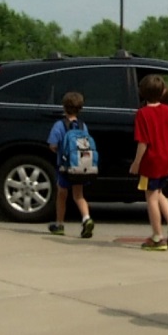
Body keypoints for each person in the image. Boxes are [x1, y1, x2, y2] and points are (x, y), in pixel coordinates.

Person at [129, 75, 168, 251]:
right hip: (166, 158)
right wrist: (167, 148)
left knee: (150, 197)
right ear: (163, 92)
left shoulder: (142, 113)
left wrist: (136, 162)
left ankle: (157, 236)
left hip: (150, 161)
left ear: (141, 93)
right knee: (159, 192)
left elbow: (142, 142)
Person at [46, 91, 94, 238]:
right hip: (80, 166)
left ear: (64, 107)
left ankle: (59, 224)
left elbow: (52, 145)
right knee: (78, 195)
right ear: (80, 108)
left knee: (62, 194)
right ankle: (86, 218)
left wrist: (59, 150)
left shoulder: (59, 125)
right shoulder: (82, 126)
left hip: (65, 166)